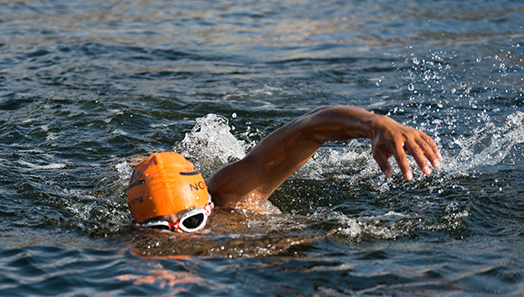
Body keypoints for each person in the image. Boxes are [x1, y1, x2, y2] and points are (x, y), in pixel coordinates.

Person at [127, 105, 441, 233]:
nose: (177, 238)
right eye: (157, 229)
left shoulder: (233, 197)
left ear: (207, 207)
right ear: (138, 227)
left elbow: (306, 131)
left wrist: (376, 124)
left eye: (192, 222)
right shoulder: (129, 247)